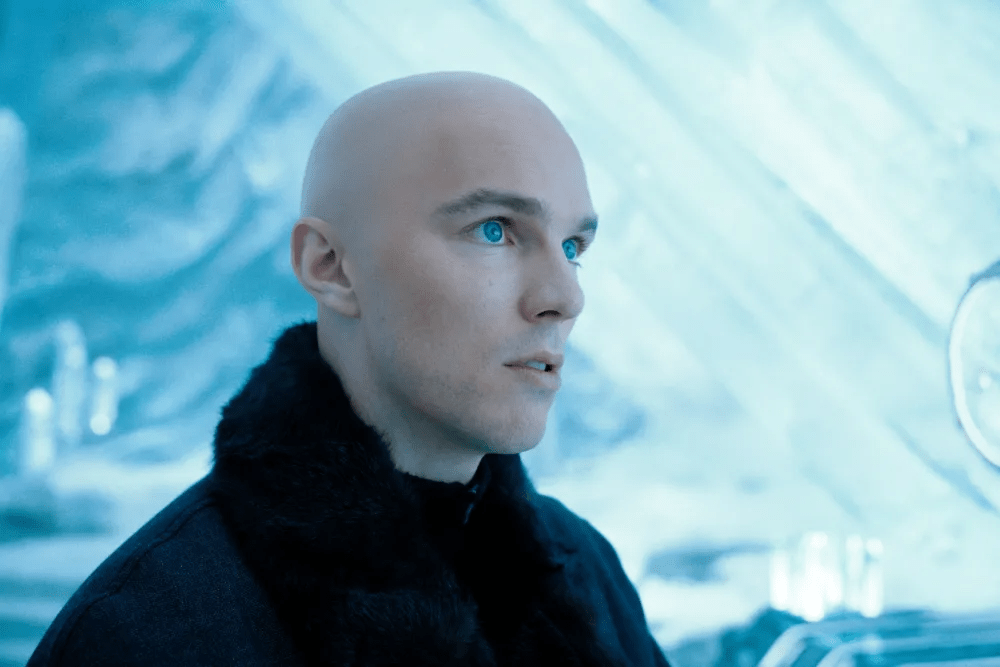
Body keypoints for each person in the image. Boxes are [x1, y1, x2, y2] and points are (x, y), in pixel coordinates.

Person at [28, 71, 671, 666]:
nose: (565, 297)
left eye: (572, 246)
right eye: (494, 231)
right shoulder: (147, 632)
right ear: (330, 266)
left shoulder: (590, 573)